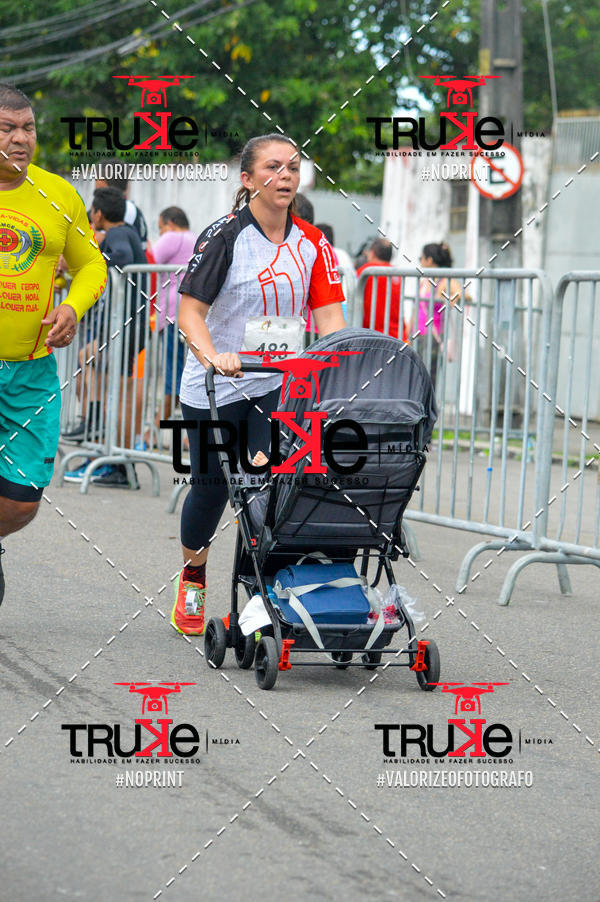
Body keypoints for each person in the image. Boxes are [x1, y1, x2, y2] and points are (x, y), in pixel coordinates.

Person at [173, 132, 346, 635]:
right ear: (248, 180)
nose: (285, 176)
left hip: (277, 387)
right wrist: (213, 357)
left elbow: (332, 320)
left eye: (292, 167)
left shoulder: (313, 243)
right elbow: (190, 313)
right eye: (273, 167)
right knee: (210, 487)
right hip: (215, 386)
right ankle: (193, 576)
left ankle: (257, 596)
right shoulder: (224, 236)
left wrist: (331, 369)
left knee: (267, 490)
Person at [0, 83, 106, 606]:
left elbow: (91, 264)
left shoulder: (57, 194)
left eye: (28, 129)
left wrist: (72, 308)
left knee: (21, 500)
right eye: (7, 129)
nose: (20, 140)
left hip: (30, 371)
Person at [65, 187, 147, 487]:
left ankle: (113, 457)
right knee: (93, 363)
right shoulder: (125, 233)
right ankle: (100, 434)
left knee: (116, 387)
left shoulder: (117, 235)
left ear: (98, 214)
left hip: (125, 324)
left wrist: (95, 257)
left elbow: (122, 258)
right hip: (125, 324)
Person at [149, 206, 196, 442]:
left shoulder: (173, 238)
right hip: (194, 317)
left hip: (172, 317)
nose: (161, 234)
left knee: (172, 375)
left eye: (161, 228)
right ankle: (189, 435)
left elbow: (149, 261)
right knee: (190, 375)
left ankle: (153, 432)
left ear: (171, 223)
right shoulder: (197, 239)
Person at [413, 242, 467, 385]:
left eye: (421, 258)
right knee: (414, 377)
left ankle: (425, 407)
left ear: (429, 260)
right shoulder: (425, 280)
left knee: (428, 378)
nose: (421, 261)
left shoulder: (443, 280)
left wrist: (452, 299)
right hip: (418, 335)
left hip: (432, 337)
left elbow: (461, 293)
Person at [357, 238, 406, 340]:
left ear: (372, 253)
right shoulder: (397, 272)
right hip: (398, 336)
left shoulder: (367, 270)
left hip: (374, 337)